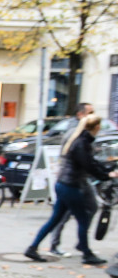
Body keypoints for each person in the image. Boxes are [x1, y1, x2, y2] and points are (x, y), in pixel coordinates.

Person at [25, 114, 110, 266]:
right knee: (83, 219)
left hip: (63, 184)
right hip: (71, 186)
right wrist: (106, 175)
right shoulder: (82, 143)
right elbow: (88, 165)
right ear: (96, 127)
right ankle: (86, 253)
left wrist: (105, 171)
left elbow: (92, 162)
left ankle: (32, 248)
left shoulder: (78, 140)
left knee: (55, 219)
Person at [46, 102, 94, 257]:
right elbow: (76, 154)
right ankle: (54, 245)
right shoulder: (75, 130)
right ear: (81, 114)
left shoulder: (85, 131)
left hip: (79, 179)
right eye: (90, 112)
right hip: (70, 180)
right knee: (62, 215)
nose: (93, 115)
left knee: (92, 207)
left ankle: (82, 243)